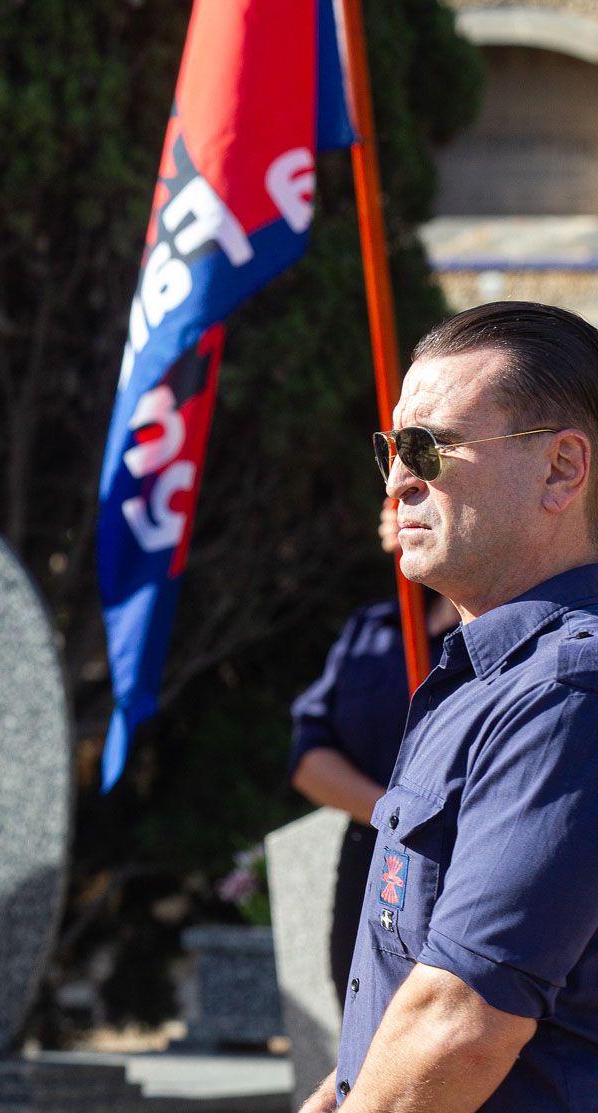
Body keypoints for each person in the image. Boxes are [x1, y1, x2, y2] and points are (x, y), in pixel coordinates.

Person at [302, 301, 598, 1113]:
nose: (399, 478)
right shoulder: (485, 674)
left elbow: (465, 1021)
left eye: (428, 446)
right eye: (391, 448)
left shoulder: (568, 689)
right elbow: (422, 976)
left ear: (563, 469)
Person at [288, 497, 455, 1014]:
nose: (404, 503)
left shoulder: (507, 635)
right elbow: (309, 757)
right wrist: (394, 815)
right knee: (364, 1013)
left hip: (458, 856)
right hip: (374, 851)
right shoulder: (372, 629)